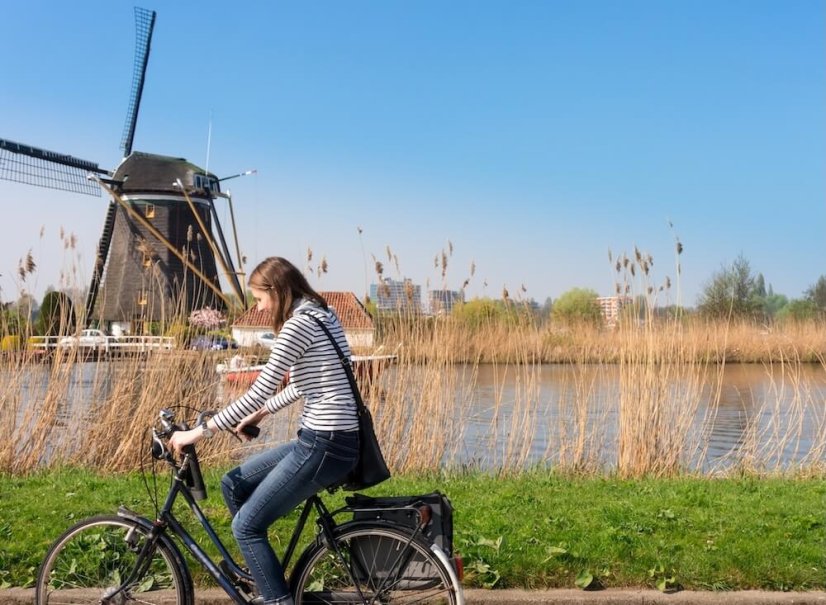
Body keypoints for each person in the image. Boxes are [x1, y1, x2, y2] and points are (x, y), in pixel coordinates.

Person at [170, 256, 360, 605]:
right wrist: (262, 412)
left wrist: (195, 434)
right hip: (331, 440)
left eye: (259, 299)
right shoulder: (324, 313)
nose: (258, 307)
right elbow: (306, 384)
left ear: (277, 291)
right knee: (233, 484)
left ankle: (277, 599)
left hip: (324, 443)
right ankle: (264, 574)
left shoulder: (297, 325)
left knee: (245, 526)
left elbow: (261, 386)